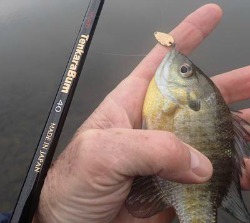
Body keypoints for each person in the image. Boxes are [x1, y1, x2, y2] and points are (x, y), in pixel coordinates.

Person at [1, 4, 250, 223]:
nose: (181, 65)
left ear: (190, 96)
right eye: (186, 70)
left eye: (184, 71)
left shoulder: (167, 98)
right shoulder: (169, 97)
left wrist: (44, 218)